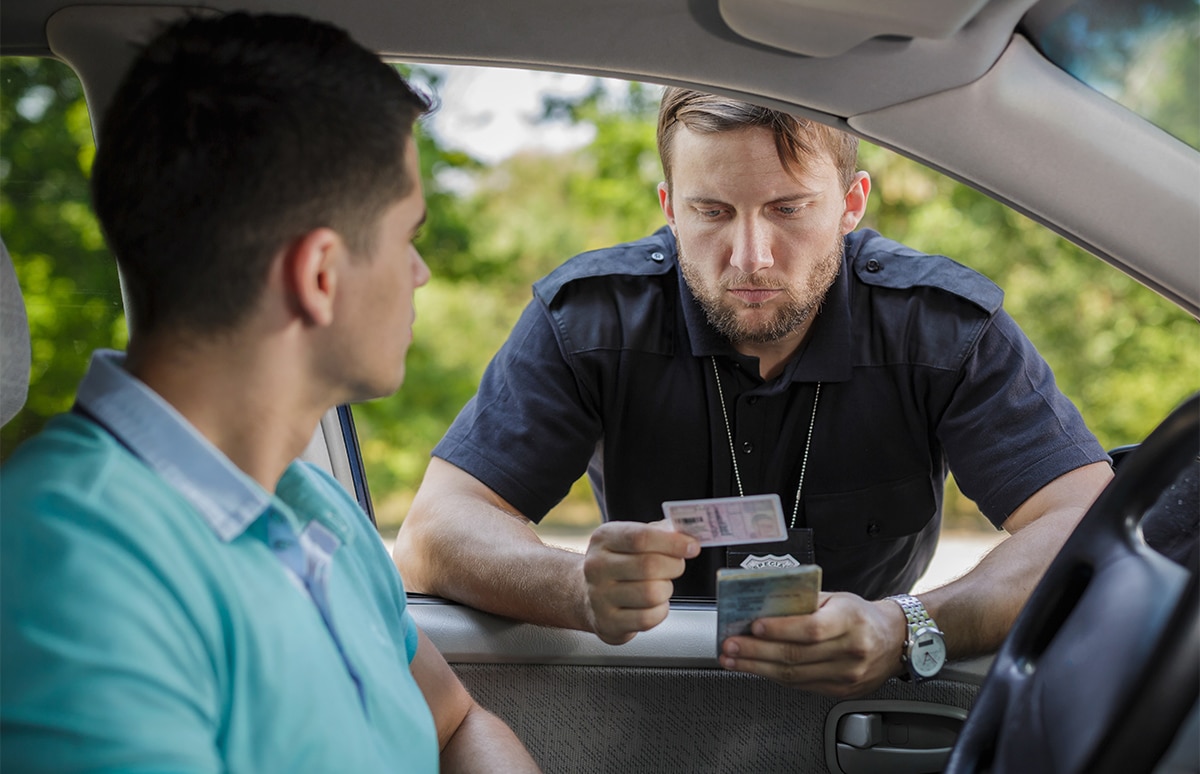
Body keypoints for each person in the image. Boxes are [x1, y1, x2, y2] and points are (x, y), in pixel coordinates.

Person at [393, 87, 1114, 698]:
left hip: (862, 707)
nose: (750, 257)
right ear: (670, 207)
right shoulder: (590, 319)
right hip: (651, 695)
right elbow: (436, 531)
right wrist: (575, 588)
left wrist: (907, 624)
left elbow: (1084, 518)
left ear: (851, 203)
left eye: (788, 209)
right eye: (712, 213)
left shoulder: (937, 327)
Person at [0, 13, 539, 772]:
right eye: (408, 236)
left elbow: (454, 725)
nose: (419, 273)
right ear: (319, 276)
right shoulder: (66, 561)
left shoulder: (317, 509)